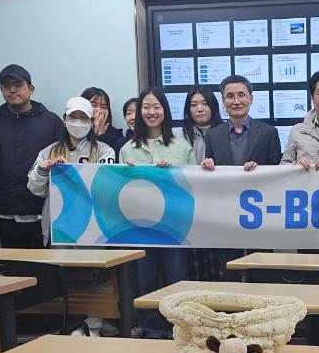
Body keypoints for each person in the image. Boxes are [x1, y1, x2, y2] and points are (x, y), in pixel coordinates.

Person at [119, 87, 195, 338]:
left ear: (165, 110)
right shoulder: (127, 149)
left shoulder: (182, 147)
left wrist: (173, 174)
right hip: (141, 228)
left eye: (157, 107)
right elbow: (119, 190)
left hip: (174, 227)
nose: (151, 112)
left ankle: (179, 329)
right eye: (146, 107)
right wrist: (126, 174)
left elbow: (195, 186)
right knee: (146, 281)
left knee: (177, 280)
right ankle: (151, 329)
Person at [200, 75, 281, 278]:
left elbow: (278, 174)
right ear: (223, 101)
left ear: (251, 99)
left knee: (262, 273)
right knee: (229, 273)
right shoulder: (213, 135)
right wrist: (206, 166)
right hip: (226, 216)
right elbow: (210, 174)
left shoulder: (269, 133)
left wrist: (262, 170)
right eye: (230, 96)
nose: (236, 101)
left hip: (261, 217)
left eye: (241, 95)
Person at [0, 64, 63, 249]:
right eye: (6, 86)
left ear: (31, 89)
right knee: (12, 263)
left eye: (18, 84)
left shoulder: (51, 121)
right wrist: (3, 179)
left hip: (43, 210)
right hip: (6, 209)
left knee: (45, 264)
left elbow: (60, 162)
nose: (12, 90)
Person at [27, 96, 116, 246]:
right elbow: (35, 190)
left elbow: (106, 189)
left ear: (91, 121)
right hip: (58, 227)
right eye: (73, 117)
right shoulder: (48, 152)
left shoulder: (104, 151)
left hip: (93, 226)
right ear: (64, 119)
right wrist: (43, 170)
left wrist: (70, 172)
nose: (78, 122)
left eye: (83, 118)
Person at [181, 85, 225, 280]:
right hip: (190, 208)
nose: (199, 109)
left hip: (220, 206)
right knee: (195, 264)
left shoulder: (226, 133)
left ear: (213, 106)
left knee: (220, 262)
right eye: (194, 105)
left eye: (205, 103)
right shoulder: (179, 138)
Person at [81, 86, 127, 158]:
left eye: (103, 107)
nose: (99, 111)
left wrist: (101, 134)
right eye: (94, 105)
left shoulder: (117, 136)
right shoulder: (76, 131)